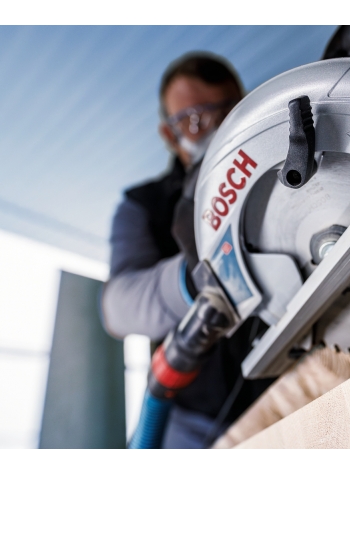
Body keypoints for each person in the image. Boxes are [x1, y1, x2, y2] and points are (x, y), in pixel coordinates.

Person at [102, 52, 273, 448]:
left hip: (288, 388)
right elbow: (118, 308)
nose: (216, 128)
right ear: (169, 134)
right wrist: (203, 271)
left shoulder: (275, 167)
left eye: (227, 111)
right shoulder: (142, 205)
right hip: (193, 419)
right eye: (195, 120)